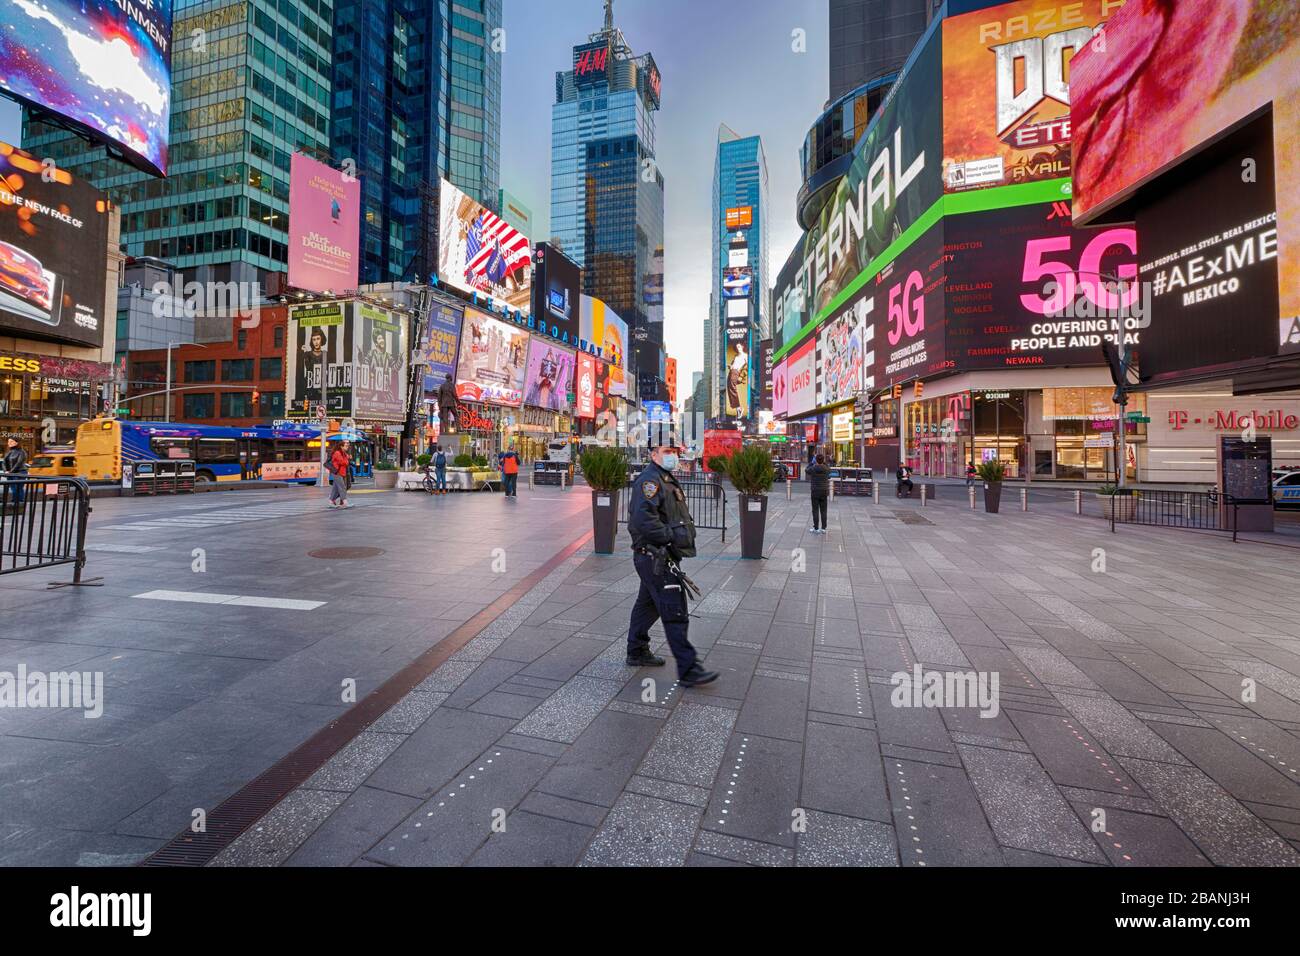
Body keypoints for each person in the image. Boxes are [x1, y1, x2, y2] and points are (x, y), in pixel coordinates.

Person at [626, 440, 718, 687]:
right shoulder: (650, 481)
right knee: (674, 610)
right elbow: (643, 518)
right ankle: (689, 670)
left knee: (648, 605)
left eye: (675, 452)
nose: (673, 456)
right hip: (655, 555)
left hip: (658, 555)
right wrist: (670, 537)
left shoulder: (664, 478)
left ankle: (636, 650)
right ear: (654, 454)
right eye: (667, 452)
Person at [807, 453, 830, 534]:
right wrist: (823, 462)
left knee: (815, 510)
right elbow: (828, 467)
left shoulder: (813, 468)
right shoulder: (826, 469)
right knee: (824, 510)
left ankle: (816, 528)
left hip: (815, 491)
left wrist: (812, 462)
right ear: (823, 460)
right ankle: (823, 528)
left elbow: (806, 469)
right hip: (824, 491)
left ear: (816, 460)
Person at [2, 437, 29, 508]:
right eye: (8, 442)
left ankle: (20, 503)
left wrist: (10, 472)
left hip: (20, 472)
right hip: (11, 473)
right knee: (13, 489)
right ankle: (14, 502)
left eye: (11, 441)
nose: (9, 443)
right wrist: (6, 471)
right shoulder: (9, 452)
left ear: (16, 443)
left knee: (18, 488)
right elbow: (4, 462)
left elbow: (19, 463)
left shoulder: (22, 452)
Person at [329, 440, 352, 508]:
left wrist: (347, 458)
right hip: (337, 473)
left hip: (342, 473)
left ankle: (331, 501)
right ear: (341, 446)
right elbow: (343, 462)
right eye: (346, 445)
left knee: (335, 488)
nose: (347, 447)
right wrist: (347, 459)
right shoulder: (337, 453)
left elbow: (345, 460)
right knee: (342, 487)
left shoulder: (343, 453)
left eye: (348, 445)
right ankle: (345, 502)